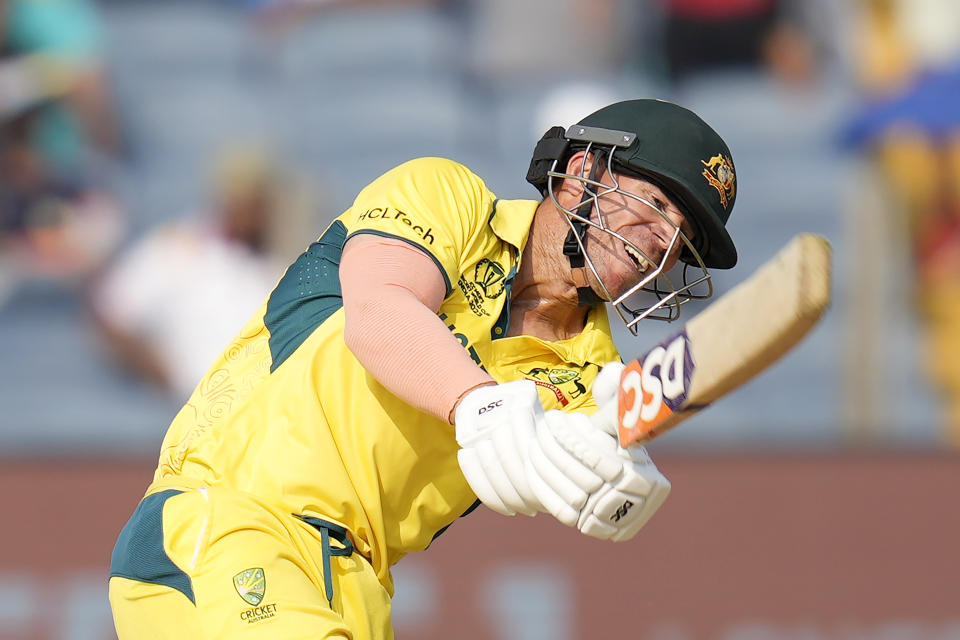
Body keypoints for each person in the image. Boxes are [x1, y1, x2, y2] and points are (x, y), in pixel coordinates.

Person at [107, 98, 738, 639]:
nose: (663, 238)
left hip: (359, 583)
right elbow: (378, 313)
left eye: (682, 236)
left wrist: (610, 482)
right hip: (229, 519)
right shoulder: (448, 198)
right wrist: (482, 405)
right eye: (656, 202)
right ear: (580, 172)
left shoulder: (590, 374)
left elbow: (546, 475)